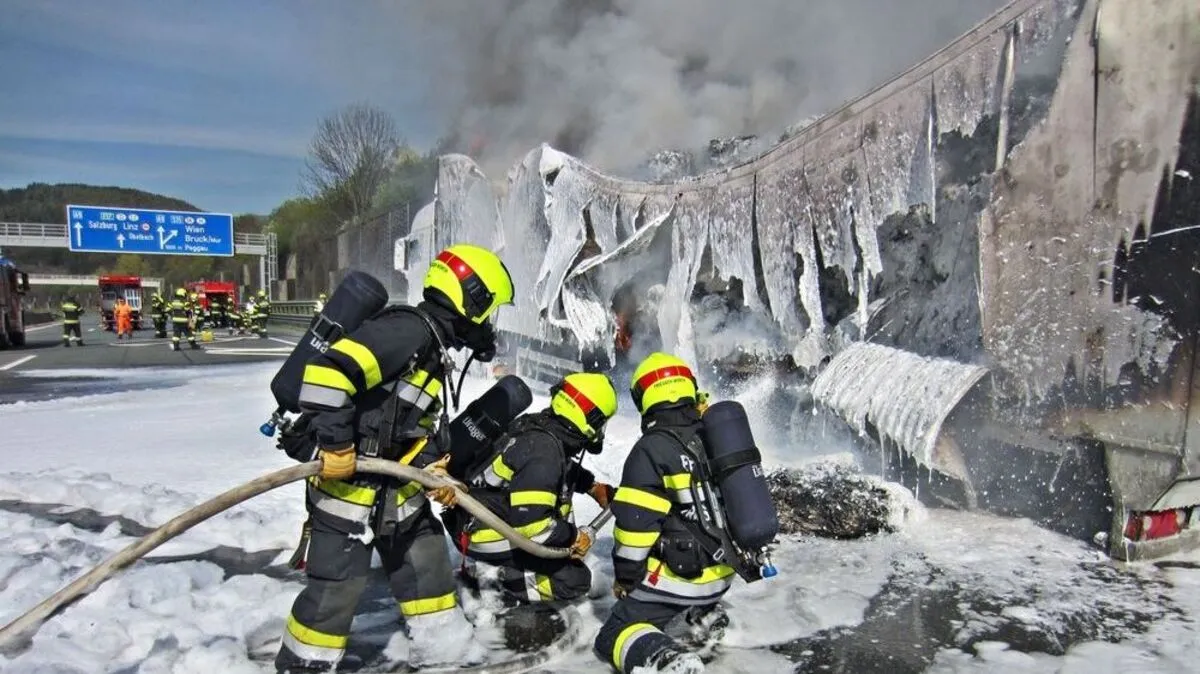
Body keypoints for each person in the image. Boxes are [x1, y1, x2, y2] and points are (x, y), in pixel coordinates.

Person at [274, 244, 514, 674]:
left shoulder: (431, 344)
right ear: (472, 299)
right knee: (336, 591)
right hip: (349, 492)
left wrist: (434, 466)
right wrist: (337, 447)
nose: (487, 324)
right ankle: (304, 665)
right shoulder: (408, 332)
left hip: (395, 491)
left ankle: (443, 651)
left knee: (427, 567)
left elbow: (404, 420)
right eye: (488, 310)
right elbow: (327, 374)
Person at [593, 352, 734, 674]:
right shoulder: (716, 438)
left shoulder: (652, 448)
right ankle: (706, 614)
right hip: (725, 574)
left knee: (613, 635)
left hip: (683, 581)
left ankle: (668, 661)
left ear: (644, 397)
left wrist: (626, 579)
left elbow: (635, 530)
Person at [436, 372, 618, 605]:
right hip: (482, 534)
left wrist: (592, 486)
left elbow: (556, 468)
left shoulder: (540, 428)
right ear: (591, 419)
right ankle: (489, 583)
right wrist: (575, 536)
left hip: (476, 519)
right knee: (573, 580)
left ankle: (500, 570)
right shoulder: (544, 451)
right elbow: (534, 527)